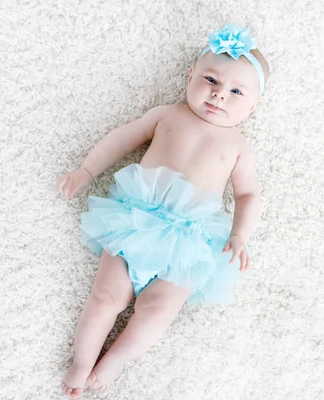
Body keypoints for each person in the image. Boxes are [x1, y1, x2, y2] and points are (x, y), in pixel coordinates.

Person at [56, 24, 269, 398]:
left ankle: (114, 361)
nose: (219, 94)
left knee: (158, 309)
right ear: (190, 75)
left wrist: (239, 235)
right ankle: (81, 359)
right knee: (106, 296)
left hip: (190, 241)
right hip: (135, 221)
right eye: (211, 80)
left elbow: (249, 194)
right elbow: (122, 139)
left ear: (253, 106)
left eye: (236, 92)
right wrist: (86, 170)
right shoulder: (167, 115)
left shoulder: (238, 146)